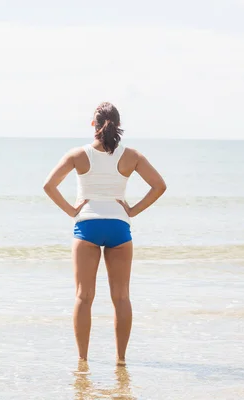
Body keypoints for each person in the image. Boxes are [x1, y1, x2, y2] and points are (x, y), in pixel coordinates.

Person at [43, 102, 166, 365]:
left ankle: (83, 360)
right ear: (118, 126)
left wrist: (71, 210)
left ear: (93, 125)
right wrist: (132, 210)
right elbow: (159, 186)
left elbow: (49, 185)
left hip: (87, 225)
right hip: (119, 227)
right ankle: (120, 360)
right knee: (121, 296)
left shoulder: (77, 155)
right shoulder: (132, 156)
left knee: (83, 296)